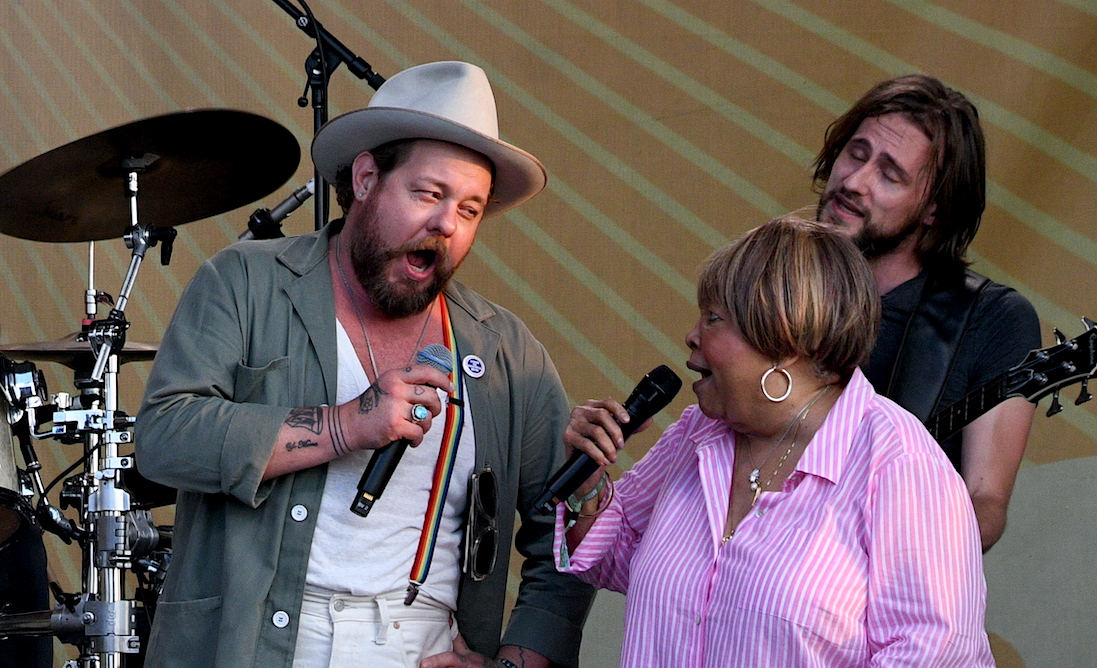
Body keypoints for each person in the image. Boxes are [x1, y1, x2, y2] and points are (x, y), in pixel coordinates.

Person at [137, 61, 593, 668]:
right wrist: (346, 425)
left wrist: (514, 663)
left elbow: (561, 538)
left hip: (422, 642)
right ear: (366, 176)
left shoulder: (505, 349)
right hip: (259, 643)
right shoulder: (245, 280)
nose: (446, 225)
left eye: (470, 209)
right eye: (429, 194)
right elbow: (164, 439)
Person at [556, 216, 994, 666]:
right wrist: (588, 486)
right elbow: (616, 554)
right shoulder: (695, 434)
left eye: (713, 318)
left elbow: (938, 653)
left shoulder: (901, 461)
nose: (691, 335)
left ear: (783, 337)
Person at [812, 74, 1041, 551]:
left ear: (934, 208)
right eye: (856, 154)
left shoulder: (988, 319)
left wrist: (902, 548)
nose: (854, 182)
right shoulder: (777, 286)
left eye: (890, 174)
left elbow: (985, 501)